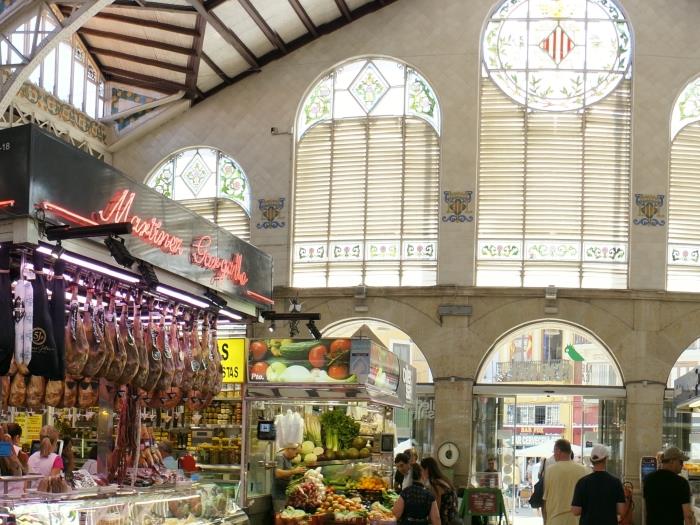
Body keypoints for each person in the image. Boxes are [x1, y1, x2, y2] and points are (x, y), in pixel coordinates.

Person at [570, 444, 625, 525]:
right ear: (606, 459)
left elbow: (575, 511)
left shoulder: (582, 482)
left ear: (591, 460)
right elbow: (621, 510)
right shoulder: (616, 482)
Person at [643, 446, 695, 525]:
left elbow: (646, 509)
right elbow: (688, 515)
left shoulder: (648, 479)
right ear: (672, 461)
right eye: (681, 462)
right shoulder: (681, 483)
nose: (682, 465)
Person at [542, 439, 588, 525]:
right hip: (576, 520)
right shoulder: (584, 470)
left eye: (554, 451)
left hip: (555, 519)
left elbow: (545, 498)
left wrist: (545, 520)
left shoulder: (550, 470)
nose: (554, 454)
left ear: (558, 451)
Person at [421, 457, 458, 525]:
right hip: (452, 518)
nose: (421, 473)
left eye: (422, 470)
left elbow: (436, 510)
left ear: (426, 470)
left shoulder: (436, 484)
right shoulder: (444, 480)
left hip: (445, 521)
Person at [273, 443, 306, 512]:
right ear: (289, 449)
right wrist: (294, 471)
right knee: (280, 516)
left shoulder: (288, 459)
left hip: (284, 494)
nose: (296, 456)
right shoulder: (280, 457)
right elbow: (277, 473)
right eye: (296, 453)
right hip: (278, 495)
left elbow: (287, 473)